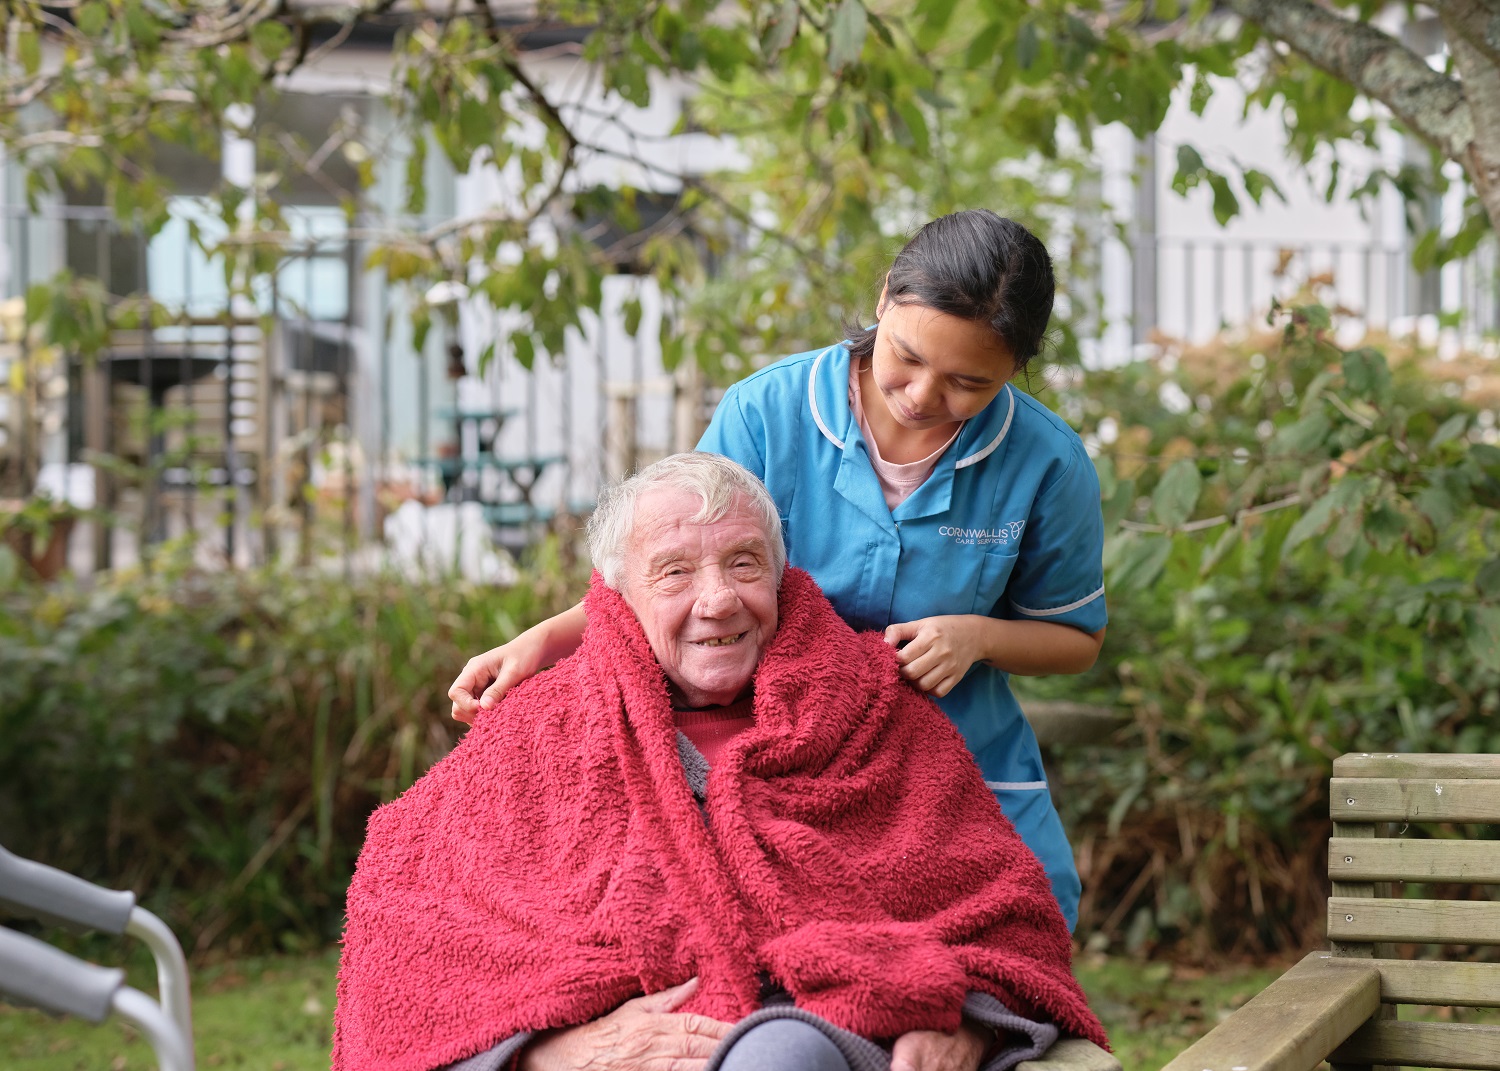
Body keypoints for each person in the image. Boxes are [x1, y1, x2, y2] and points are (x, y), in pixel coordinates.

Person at [335, 455, 1107, 1071]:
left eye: (743, 563)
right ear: (617, 595)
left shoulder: (875, 711)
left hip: (825, 1031)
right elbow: (409, 942)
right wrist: (552, 1053)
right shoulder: (534, 733)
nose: (718, 600)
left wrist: (963, 1029)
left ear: (777, 575)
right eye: (674, 571)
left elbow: (998, 915)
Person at [449, 211, 1105, 929]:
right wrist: (539, 644)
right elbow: (669, 574)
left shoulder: (1046, 463)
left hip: (960, 760)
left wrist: (978, 637)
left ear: (1017, 367)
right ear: (885, 297)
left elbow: (1075, 639)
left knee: (1026, 923)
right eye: (907, 357)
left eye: (966, 382)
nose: (921, 396)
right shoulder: (766, 412)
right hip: (791, 769)